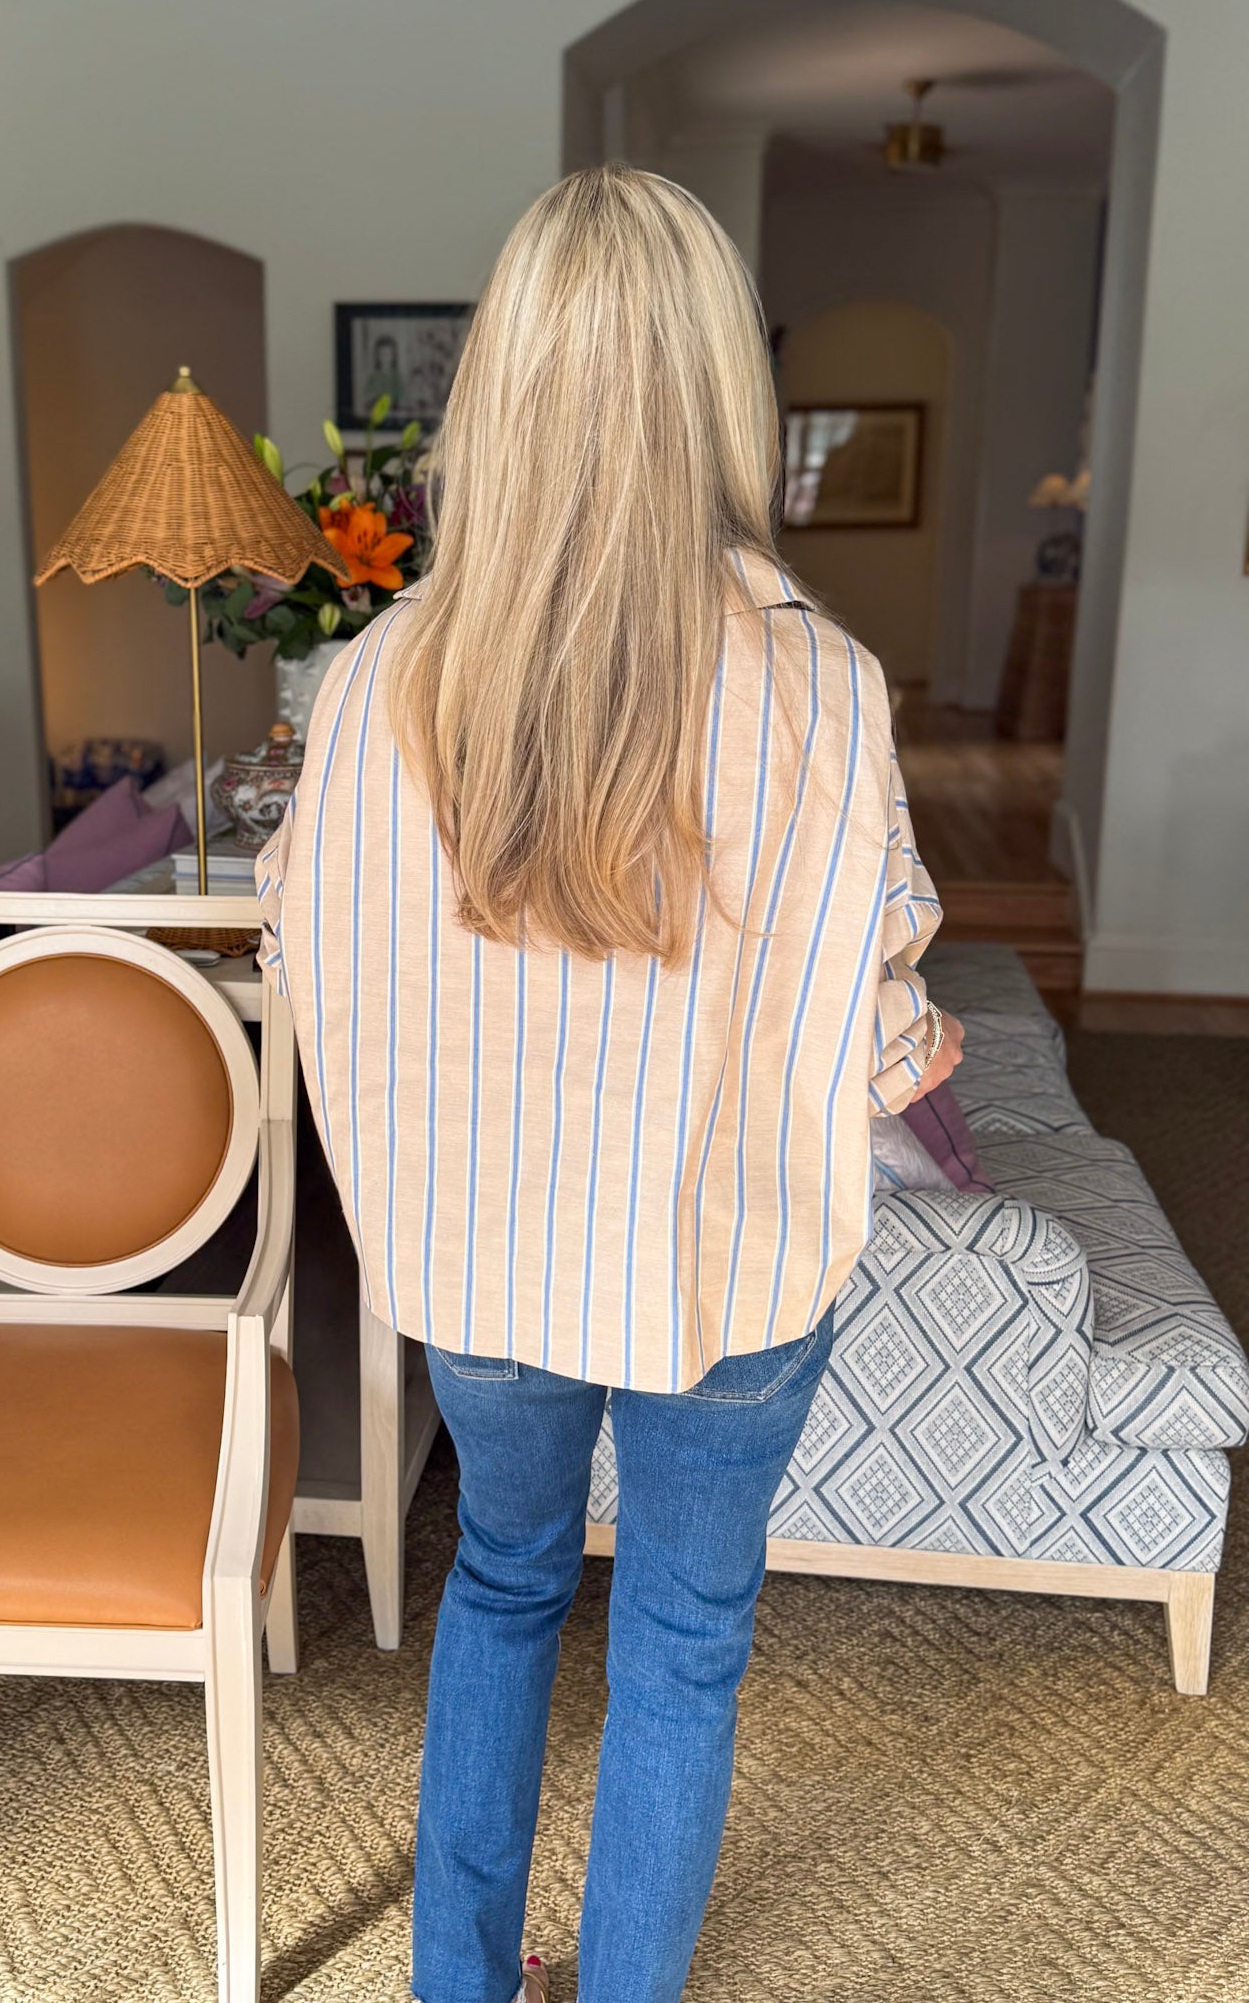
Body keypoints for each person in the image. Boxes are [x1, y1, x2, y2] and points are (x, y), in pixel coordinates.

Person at [256, 165, 963, 2003]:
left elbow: (306, 950)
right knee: (684, 1632)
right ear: (722, 386)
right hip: (727, 1249)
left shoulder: (379, 677)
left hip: (478, 1257)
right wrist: (912, 1052)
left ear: (502, 384)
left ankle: (460, 1982)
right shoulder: (819, 685)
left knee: (502, 1578)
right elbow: (873, 997)